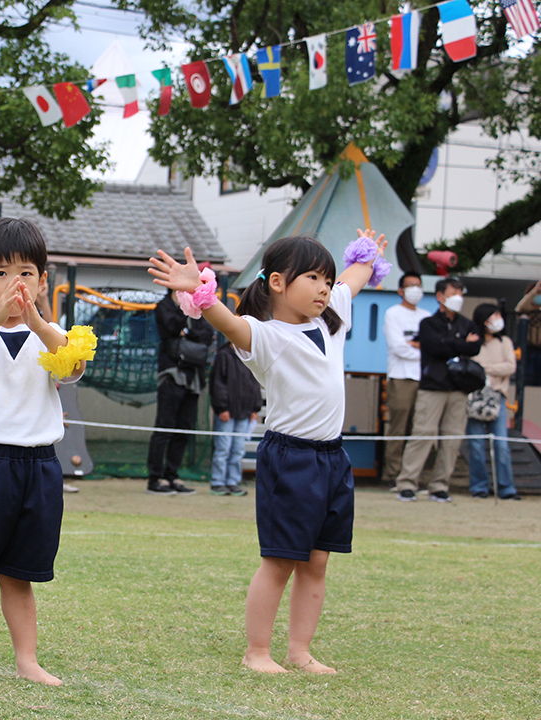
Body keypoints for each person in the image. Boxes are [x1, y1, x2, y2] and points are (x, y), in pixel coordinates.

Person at [150, 230, 386, 674]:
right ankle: (257, 652)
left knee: (317, 561)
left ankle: (300, 651)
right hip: (290, 458)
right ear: (277, 282)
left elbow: (354, 278)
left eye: (327, 279)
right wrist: (198, 289)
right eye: (313, 277)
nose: (324, 287)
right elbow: (228, 323)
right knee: (280, 561)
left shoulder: (332, 317)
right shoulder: (265, 335)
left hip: (332, 459)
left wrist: (368, 255)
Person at [0, 217, 95, 686]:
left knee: (20, 574)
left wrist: (37, 322)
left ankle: (27, 660)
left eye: (26, 273)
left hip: (38, 467)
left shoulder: (52, 335)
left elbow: (72, 368)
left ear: (42, 281)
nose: (15, 284)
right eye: (1, 274)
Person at [394, 277, 481, 503]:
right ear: (440, 296)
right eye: (453, 293)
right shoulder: (428, 323)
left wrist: (449, 343)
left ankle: (440, 485)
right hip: (433, 386)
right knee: (423, 434)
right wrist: (460, 344)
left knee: (452, 438)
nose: (458, 298)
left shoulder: (467, 323)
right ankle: (407, 483)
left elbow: (475, 347)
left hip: (459, 388)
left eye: (460, 293)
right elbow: (434, 346)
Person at [146, 289, 215, 495]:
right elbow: (171, 327)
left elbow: (207, 335)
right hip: (172, 373)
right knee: (164, 427)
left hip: (194, 376)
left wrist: (188, 332)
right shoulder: (164, 306)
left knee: (184, 428)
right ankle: (155, 478)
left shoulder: (199, 309)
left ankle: (172, 475)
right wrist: (184, 314)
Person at [381, 272, 430, 489]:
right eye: (410, 286)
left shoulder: (426, 316)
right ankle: (392, 473)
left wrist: (416, 346)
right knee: (398, 427)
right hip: (401, 376)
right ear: (400, 290)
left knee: (420, 428)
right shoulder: (393, 313)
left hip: (425, 378)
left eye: (418, 285)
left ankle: (414, 475)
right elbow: (397, 347)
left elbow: (433, 347)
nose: (415, 290)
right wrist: (421, 349)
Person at [465, 304, 519, 500]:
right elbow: (467, 366)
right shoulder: (473, 342)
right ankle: (479, 487)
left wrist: (483, 368)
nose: (497, 319)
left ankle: (506, 488)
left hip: (497, 397)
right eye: (493, 315)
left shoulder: (505, 342)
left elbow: (510, 367)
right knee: (476, 444)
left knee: (501, 444)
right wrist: (493, 368)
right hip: (474, 397)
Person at [208, 340, 262, 496]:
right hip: (227, 413)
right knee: (223, 449)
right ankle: (217, 482)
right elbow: (217, 384)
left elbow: (254, 384)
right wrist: (222, 408)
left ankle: (233, 481)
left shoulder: (250, 357)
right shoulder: (224, 356)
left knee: (238, 449)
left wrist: (255, 408)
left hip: (245, 413)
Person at [514, 279, 541, 385]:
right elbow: (520, 308)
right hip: (528, 348)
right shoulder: (526, 309)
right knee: (527, 380)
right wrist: (535, 291)